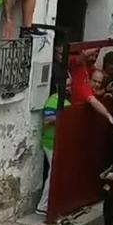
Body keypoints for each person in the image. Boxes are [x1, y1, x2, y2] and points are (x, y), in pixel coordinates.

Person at [36, 76, 72, 215]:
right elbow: (47, 119)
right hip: (51, 143)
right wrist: (62, 117)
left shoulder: (65, 101)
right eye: (66, 85)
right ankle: (43, 205)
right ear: (59, 86)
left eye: (70, 85)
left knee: (55, 173)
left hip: (57, 143)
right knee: (53, 174)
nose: (68, 87)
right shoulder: (54, 100)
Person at [70, 48, 113, 132]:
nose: (97, 84)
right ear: (90, 79)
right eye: (95, 81)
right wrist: (109, 116)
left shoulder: (90, 70)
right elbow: (94, 102)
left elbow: (95, 96)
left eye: (99, 82)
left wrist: (105, 92)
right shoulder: (77, 67)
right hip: (75, 119)